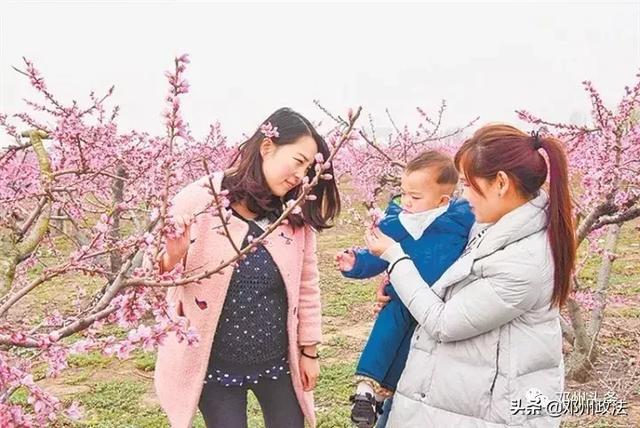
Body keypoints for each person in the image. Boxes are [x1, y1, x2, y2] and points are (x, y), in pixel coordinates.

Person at [365, 124, 575, 427]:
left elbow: (443, 322)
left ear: (500, 183)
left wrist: (396, 259)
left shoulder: (525, 262)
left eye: (466, 184)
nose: (462, 195)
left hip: (487, 412)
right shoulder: (490, 225)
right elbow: (445, 274)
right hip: (456, 399)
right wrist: (396, 287)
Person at [154, 107, 341, 428]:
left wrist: (309, 351)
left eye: (309, 167)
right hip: (215, 365)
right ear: (267, 147)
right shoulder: (201, 200)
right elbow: (152, 275)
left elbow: (307, 285)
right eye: (298, 161)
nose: (301, 175)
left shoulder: (293, 214)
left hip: (278, 362)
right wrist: (173, 255)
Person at [335, 150, 474, 427]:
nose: (407, 202)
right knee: (385, 335)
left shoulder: (461, 221)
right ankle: (365, 392)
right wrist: (355, 262)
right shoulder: (400, 222)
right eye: (404, 194)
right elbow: (377, 253)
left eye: (416, 197)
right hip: (401, 297)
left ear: (443, 200)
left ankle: (384, 398)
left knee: (410, 354)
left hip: (437, 304)